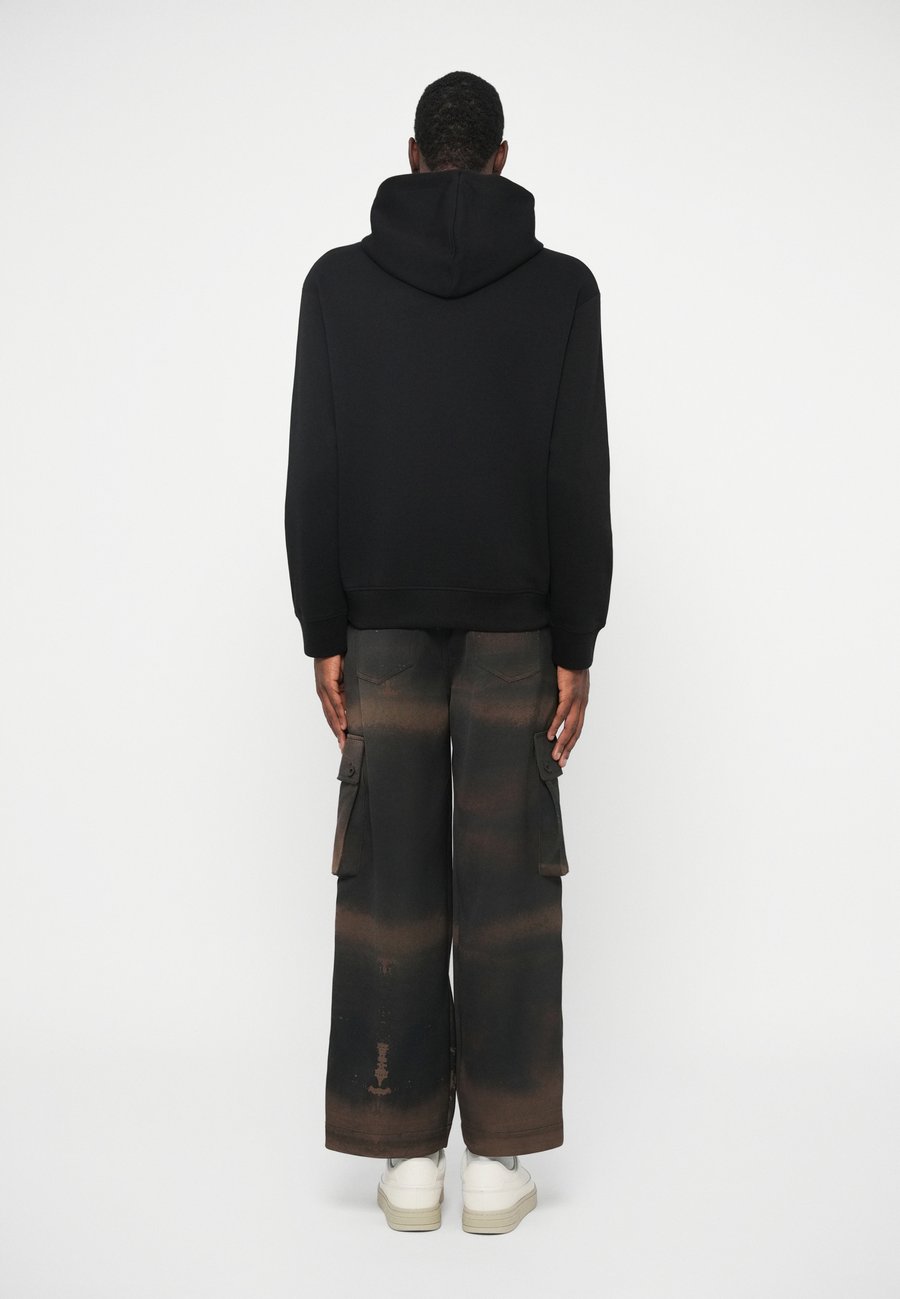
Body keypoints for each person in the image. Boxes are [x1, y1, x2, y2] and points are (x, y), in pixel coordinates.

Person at [284, 70, 613, 1234]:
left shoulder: (337, 284)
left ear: (415, 154)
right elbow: (577, 473)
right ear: (502, 157)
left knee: (388, 884)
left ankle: (407, 1160)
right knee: (512, 885)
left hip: (377, 622)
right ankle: (497, 1163)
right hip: (519, 624)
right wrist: (576, 639)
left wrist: (322, 629)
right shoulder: (564, 289)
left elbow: (315, 465)